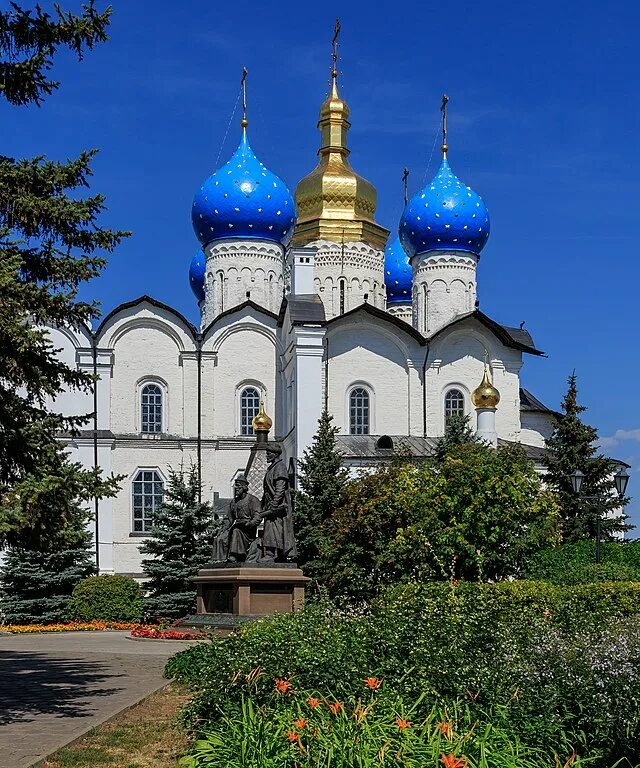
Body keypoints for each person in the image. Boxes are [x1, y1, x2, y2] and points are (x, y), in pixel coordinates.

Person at [259, 442, 297, 562]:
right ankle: (280, 556)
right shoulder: (273, 468)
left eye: (269, 453)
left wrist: (274, 504)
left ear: (275, 454)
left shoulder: (280, 467)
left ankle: (270, 554)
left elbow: (280, 488)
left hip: (277, 508)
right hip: (270, 505)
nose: (267, 455)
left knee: (272, 529)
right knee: (274, 529)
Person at [212, 475, 261, 562]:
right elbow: (229, 519)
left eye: (238, 486)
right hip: (237, 527)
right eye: (235, 486)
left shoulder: (253, 500)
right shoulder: (234, 502)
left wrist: (250, 523)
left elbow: (257, 516)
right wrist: (223, 528)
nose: (236, 488)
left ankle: (234, 555)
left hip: (248, 530)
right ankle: (220, 560)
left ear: (244, 487)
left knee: (236, 531)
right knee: (221, 537)